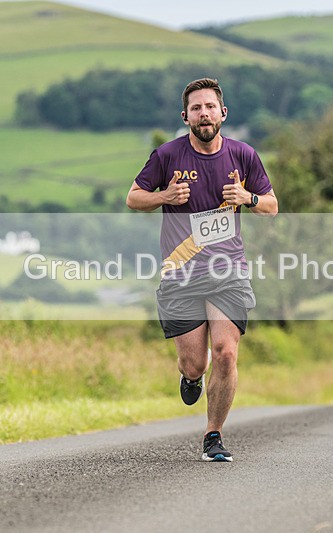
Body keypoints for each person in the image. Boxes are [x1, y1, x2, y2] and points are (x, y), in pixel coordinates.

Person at [126, 78, 278, 461]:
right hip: (182, 273)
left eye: (210, 106)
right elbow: (132, 198)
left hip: (229, 272)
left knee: (225, 352)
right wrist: (164, 196)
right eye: (196, 108)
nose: (204, 114)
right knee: (195, 361)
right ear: (185, 116)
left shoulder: (243, 156)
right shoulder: (167, 156)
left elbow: (272, 206)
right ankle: (191, 376)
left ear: (223, 113)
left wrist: (249, 197)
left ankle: (214, 436)